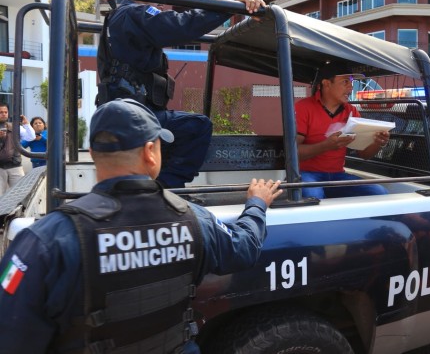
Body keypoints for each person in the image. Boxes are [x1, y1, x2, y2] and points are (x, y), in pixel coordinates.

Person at [0, 98, 282, 353]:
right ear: (150, 152)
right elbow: (244, 248)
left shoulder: (46, 240)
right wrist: (257, 203)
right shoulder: (195, 219)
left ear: (95, 154)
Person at [96, 0, 266, 188]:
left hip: (128, 112)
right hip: (133, 115)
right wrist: (229, 7)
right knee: (198, 126)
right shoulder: (133, 13)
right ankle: (167, 190)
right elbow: (178, 25)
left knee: (179, 132)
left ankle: (160, 187)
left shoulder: (119, 17)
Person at [294, 63, 390, 199]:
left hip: (337, 176)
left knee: (380, 193)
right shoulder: (303, 107)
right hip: (306, 174)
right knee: (313, 196)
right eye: (345, 82)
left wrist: (377, 142)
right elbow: (292, 152)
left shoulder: (352, 111)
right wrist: (326, 146)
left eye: (351, 82)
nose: (351, 87)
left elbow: (364, 154)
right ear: (326, 84)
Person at [0, 102, 35, 195]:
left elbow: (31, 137)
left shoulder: (14, 127)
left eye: (5, 112)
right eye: (1, 112)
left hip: (15, 166)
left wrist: (26, 124)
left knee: (19, 195)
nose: (3, 114)